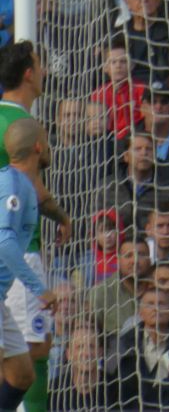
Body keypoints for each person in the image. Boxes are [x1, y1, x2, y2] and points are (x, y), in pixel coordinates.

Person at [0, 118, 56, 412]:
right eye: (46, 140)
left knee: (22, 374)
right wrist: (39, 289)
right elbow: (5, 243)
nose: (49, 145)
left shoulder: (22, 185)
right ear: (38, 146)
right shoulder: (13, 186)